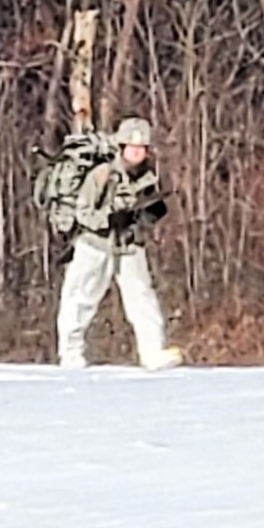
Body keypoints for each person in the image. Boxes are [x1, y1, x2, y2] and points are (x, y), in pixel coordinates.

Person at [57, 116, 181, 371]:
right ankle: (70, 353)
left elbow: (147, 209)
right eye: (132, 147)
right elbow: (83, 213)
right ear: (122, 146)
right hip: (95, 244)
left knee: (142, 297)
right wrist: (110, 218)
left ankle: (152, 351)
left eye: (142, 148)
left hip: (128, 244)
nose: (137, 152)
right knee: (80, 297)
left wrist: (149, 213)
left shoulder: (146, 177)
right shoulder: (101, 174)